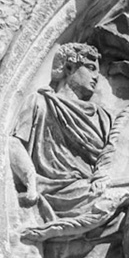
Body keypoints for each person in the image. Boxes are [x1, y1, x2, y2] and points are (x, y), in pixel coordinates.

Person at [11, 42, 118, 226]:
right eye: (90, 68)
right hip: (56, 191)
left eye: (98, 71)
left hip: (93, 187)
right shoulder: (40, 103)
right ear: (69, 68)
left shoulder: (102, 117)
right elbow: (14, 143)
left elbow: (111, 156)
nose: (96, 77)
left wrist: (103, 175)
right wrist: (30, 180)